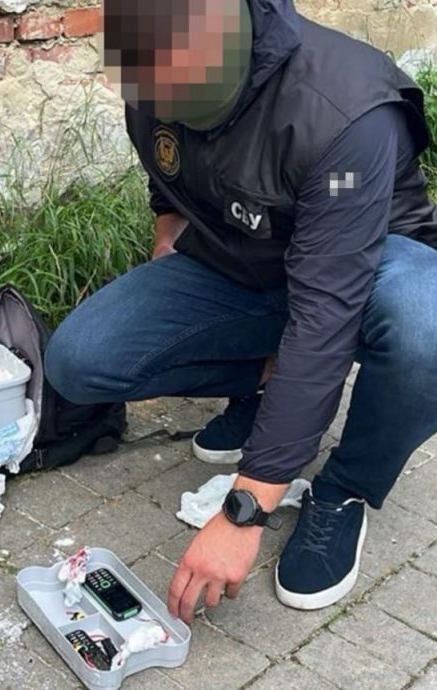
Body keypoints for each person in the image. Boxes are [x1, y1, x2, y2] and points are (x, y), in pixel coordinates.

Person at [44, 0, 437, 624]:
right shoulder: (149, 72)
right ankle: (266, 383)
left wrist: (245, 509)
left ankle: (344, 490)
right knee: (79, 360)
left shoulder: (343, 112)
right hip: (244, 264)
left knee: (426, 324)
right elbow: (165, 170)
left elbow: (326, 312)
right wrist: (168, 229)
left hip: (364, 272)